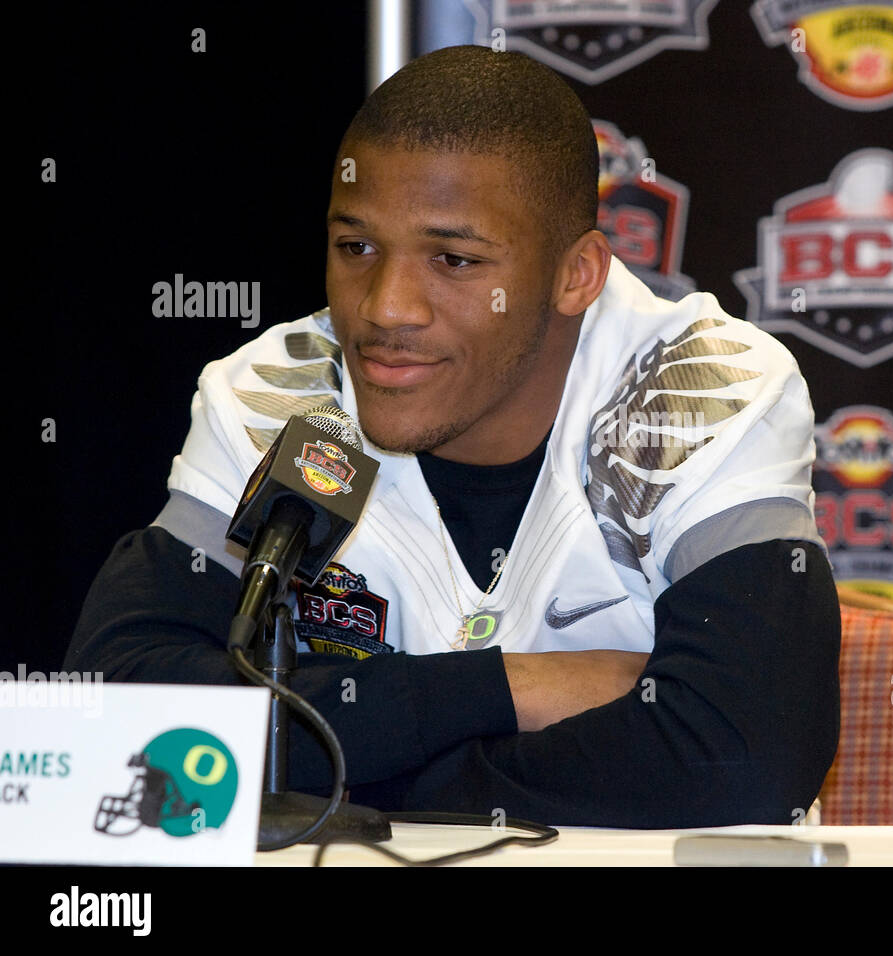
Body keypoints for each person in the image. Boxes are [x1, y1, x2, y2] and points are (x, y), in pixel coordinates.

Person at [65, 45, 841, 828]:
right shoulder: (278, 397)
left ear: (577, 274)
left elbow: (749, 752)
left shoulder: (699, 389)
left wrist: (341, 770)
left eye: (455, 259)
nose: (386, 308)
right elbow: (114, 725)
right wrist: (509, 686)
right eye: (355, 248)